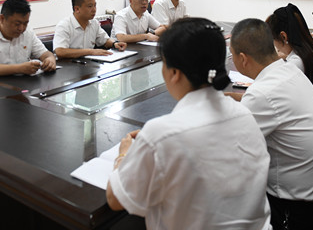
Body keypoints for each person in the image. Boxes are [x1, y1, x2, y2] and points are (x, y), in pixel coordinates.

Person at [106, 18, 271, 230]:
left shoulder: (161, 134)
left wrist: (124, 155)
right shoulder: (245, 116)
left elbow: (115, 199)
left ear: (174, 73)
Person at [229, 18, 313, 230]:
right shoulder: (289, 70)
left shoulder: (261, 94)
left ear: (243, 58)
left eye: (232, 56)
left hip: (292, 209)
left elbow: (230, 148)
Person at [266, 3, 313, 127]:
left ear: (283, 36)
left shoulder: (296, 63)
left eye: (273, 39)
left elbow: (268, 96)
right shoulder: (310, 51)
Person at [0, 0, 57, 76]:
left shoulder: (27, 32)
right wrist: (19, 68)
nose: (21, 28)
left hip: (24, 84)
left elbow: (45, 54)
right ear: (2, 18)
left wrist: (50, 59)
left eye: (25, 23)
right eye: (17, 24)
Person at [53, 0, 127, 59]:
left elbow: (104, 40)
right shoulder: (64, 25)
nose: (94, 10)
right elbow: (60, 51)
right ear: (77, 9)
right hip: (68, 65)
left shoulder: (94, 23)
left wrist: (115, 44)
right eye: (90, 6)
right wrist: (91, 51)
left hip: (88, 64)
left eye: (95, 5)